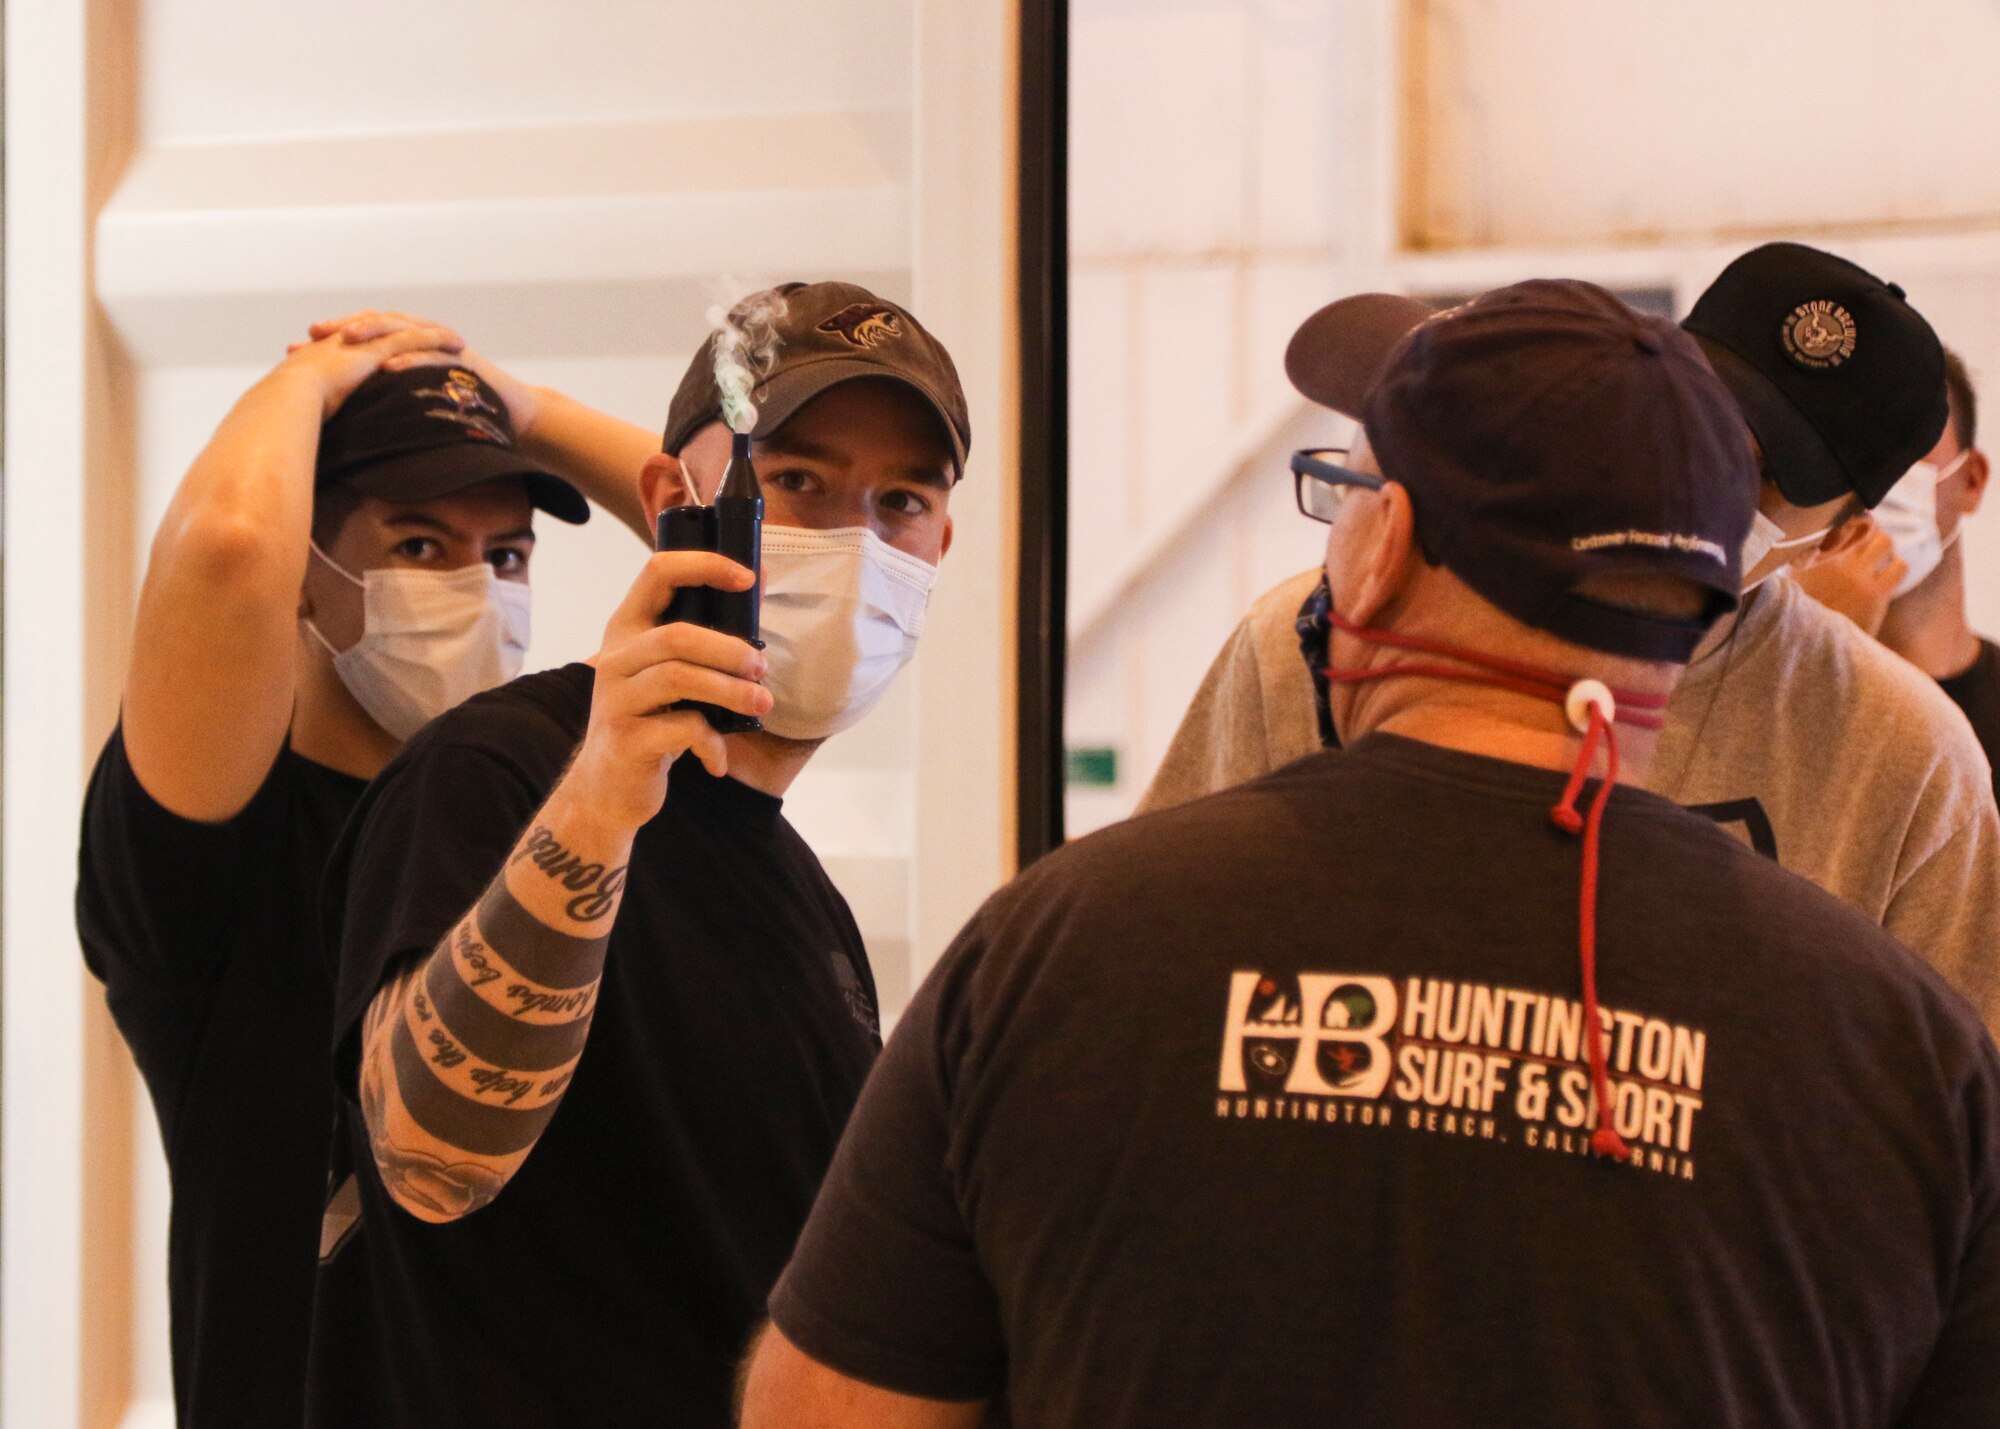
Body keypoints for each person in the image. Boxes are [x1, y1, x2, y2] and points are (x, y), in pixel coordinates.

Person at [741, 279, 2000, 1429]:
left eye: (1343, 489)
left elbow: (829, 1414)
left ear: (1380, 543)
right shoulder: (1905, 1056)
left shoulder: (1053, 954)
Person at [307, 281, 970, 1427]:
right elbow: (425, 1155)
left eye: (899, 500)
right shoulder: (501, 773)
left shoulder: (799, 894)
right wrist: (606, 794)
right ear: (675, 500)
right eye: (799, 482)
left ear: (940, 543)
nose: (855, 543)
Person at [1141, 243, 2000, 1033]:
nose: (1716, 470)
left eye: (1770, 474)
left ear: (1844, 538)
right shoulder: (1320, 632)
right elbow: (1163, 948)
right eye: (1705, 413)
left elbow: (1951, 1110)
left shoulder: (1905, 755)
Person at [72, 321, 637, 1428]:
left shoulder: (561, 818)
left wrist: (515, 407)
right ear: (308, 576)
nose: (478, 588)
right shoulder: (223, 857)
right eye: (419, 546)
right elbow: (231, 546)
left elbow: (733, 550)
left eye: (506, 554)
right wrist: (313, 372)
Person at [1798, 350, 1999, 795]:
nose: (1871, 473)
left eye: (1903, 440)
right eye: (1842, 444)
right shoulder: (1770, 701)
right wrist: (1825, 652)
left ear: (1972, 480)